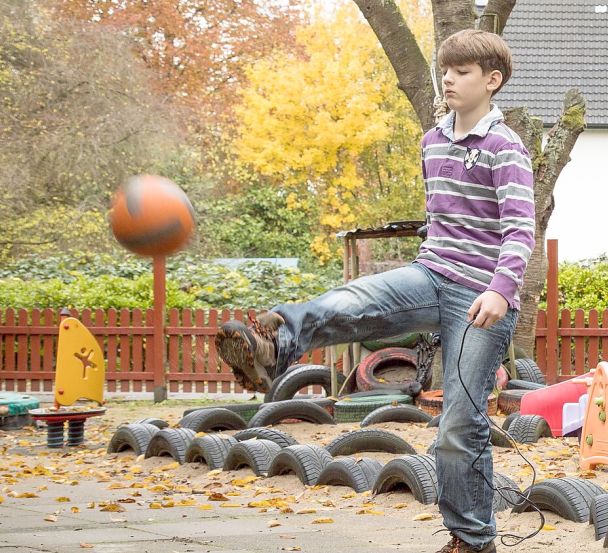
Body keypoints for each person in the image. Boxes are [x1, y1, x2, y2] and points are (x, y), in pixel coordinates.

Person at [215, 29, 534, 553]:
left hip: (483, 297)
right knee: (358, 300)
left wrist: (501, 289)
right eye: (445, 70)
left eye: (462, 72)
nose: (448, 79)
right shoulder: (432, 142)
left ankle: (473, 542)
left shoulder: (506, 147)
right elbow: (439, 221)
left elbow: (521, 228)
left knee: (458, 421)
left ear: (492, 81)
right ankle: (275, 347)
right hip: (432, 272)